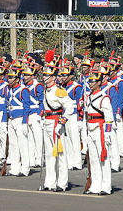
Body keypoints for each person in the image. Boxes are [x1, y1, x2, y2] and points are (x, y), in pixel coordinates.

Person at [40, 62, 75, 191]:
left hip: (56, 123)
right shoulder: (46, 90)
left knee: (60, 154)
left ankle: (62, 183)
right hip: (47, 122)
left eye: (47, 76)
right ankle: (49, 182)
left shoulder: (58, 90)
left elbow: (70, 105)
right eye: (44, 75)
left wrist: (64, 118)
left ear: (53, 77)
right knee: (49, 155)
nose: (44, 77)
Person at [83, 68, 114, 195]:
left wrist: (107, 134)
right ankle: (95, 185)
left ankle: (106, 186)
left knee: (103, 159)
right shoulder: (89, 97)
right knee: (94, 159)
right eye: (90, 81)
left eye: (93, 81)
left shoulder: (103, 98)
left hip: (100, 129)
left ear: (99, 83)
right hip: (91, 128)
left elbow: (109, 118)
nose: (90, 83)